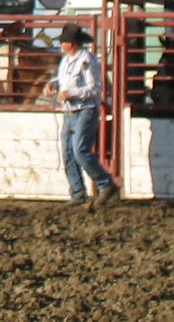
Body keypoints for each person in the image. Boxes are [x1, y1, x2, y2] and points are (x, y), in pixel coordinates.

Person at [43, 24, 118, 209]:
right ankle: (78, 192)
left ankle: (105, 183)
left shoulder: (87, 60)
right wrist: (53, 84)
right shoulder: (67, 60)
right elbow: (62, 78)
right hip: (70, 111)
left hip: (85, 109)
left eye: (64, 41)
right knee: (68, 152)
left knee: (79, 150)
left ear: (72, 44)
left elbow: (95, 87)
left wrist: (71, 93)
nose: (61, 44)